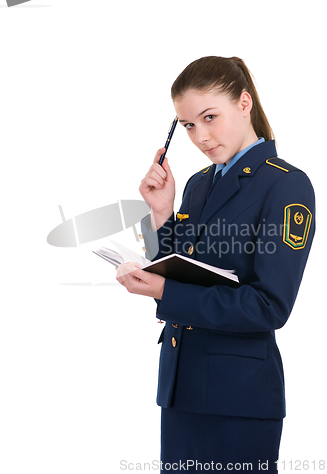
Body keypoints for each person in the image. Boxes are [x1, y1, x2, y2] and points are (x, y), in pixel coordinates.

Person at [116, 56, 315, 473]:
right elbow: (179, 269)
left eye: (209, 117)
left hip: (238, 399)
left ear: (244, 103)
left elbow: (269, 306)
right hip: (181, 388)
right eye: (188, 125)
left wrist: (165, 293)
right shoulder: (199, 183)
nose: (200, 136)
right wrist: (162, 214)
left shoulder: (285, 184)